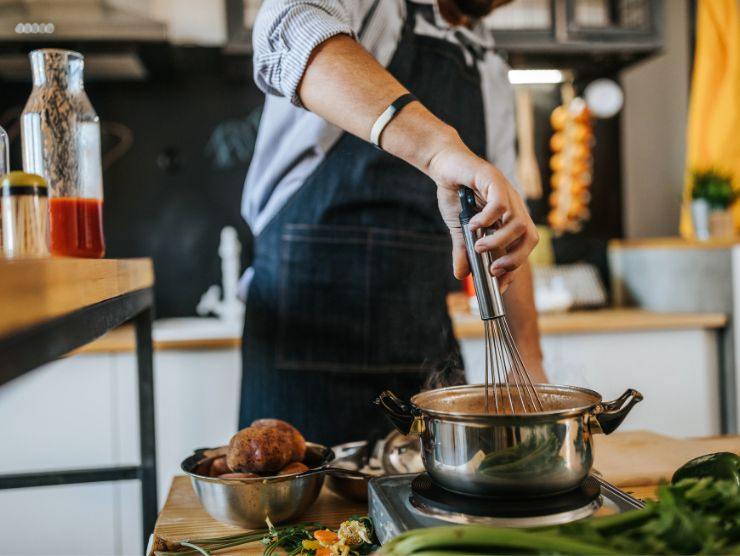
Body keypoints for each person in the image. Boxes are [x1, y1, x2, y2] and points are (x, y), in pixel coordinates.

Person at [239, 0, 544, 446]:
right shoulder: (373, 8)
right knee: (300, 516)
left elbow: (502, 225)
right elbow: (290, 24)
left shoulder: (490, 70)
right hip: (304, 342)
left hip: (423, 346)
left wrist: (528, 362)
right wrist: (437, 149)